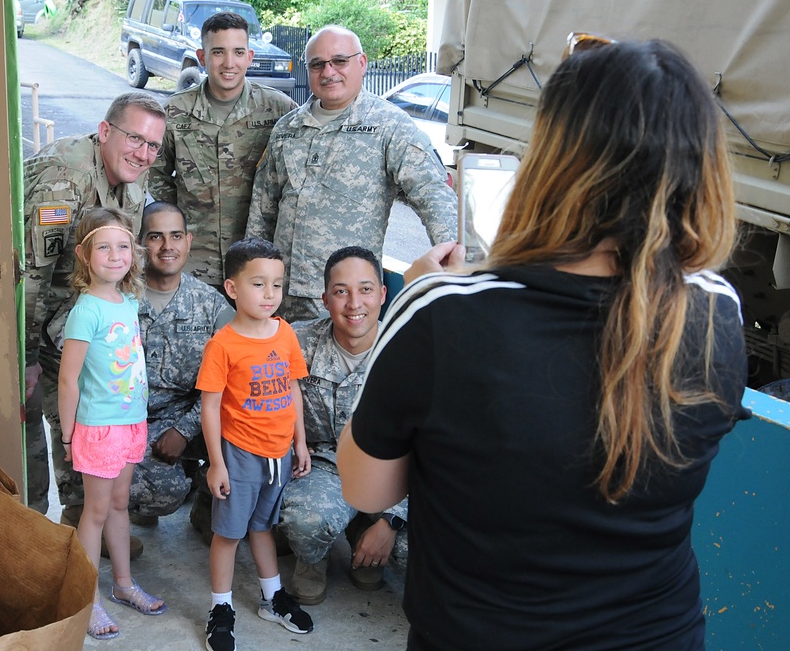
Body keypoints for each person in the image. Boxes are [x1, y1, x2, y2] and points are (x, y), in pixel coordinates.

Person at [338, 39, 752, 650]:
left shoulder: (443, 313)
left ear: (553, 158)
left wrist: (413, 296)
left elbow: (366, 489)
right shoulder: (717, 309)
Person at [245, 25, 460, 322]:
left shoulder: (389, 126)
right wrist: (253, 278)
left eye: (340, 61)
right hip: (278, 295)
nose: (328, 71)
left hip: (344, 301)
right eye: (317, 64)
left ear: (362, 63)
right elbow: (263, 210)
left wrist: (453, 261)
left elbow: (433, 193)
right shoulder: (287, 129)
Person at [23, 91, 166, 532]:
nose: (144, 154)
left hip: (82, 313)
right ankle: (36, 529)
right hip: (41, 311)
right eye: (135, 139)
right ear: (105, 131)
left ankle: (84, 519)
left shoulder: (133, 174)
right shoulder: (65, 178)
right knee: (41, 416)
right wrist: (26, 356)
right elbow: (32, 275)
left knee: (87, 415)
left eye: (153, 146)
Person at [196, 238, 314, 651]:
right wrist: (216, 463)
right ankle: (221, 608)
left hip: (279, 453)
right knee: (228, 533)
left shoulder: (285, 334)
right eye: (259, 284)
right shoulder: (223, 345)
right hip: (239, 453)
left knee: (264, 526)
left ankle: (272, 598)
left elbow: (294, 391)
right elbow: (209, 409)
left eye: (277, 285)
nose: (270, 295)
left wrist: (300, 442)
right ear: (232, 288)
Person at [57, 207, 166, 640]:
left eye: (124, 246)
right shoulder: (85, 312)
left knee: (120, 505)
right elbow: (68, 379)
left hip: (130, 424)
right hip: (97, 429)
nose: (116, 255)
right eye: (104, 246)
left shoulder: (128, 302)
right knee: (96, 511)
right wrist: (69, 435)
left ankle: (123, 585)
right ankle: (89, 600)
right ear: (85, 255)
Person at [279, 246, 408, 605]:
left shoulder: (412, 352)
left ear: (383, 295)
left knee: (416, 550)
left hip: (391, 474)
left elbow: (436, 450)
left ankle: (365, 528)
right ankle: (313, 557)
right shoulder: (295, 341)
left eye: (366, 289)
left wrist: (391, 523)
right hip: (321, 466)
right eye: (341, 291)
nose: (354, 303)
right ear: (324, 299)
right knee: (305, 522)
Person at [148, 12, 296, 288]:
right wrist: (186, 211)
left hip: (258, 265)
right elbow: (154, 171)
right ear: (202, 58)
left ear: (250, 56)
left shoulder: (279, 110)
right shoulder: (175, 111)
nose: (229, 63)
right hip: (194, 264)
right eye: (218, 52)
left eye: (238, 52)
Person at [129, 201, 234, 523]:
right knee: (157, 493)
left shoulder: (212, 305)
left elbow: (232, 380)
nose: (167, 247)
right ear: (140, 244)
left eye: (175, 236)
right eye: (155, 237)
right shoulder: (120, 301)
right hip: (132, 420)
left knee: (253, 440)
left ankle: (209, 503)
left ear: (188, 241)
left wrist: (183, 430)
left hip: (194, 415)